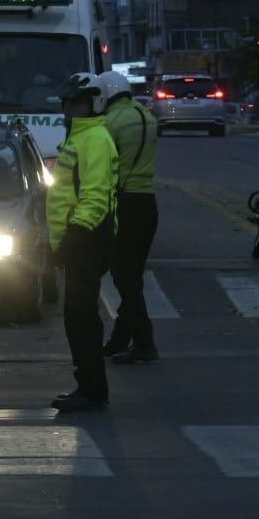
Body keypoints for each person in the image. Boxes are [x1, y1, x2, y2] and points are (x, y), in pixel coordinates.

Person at [47, 72, 118, 413]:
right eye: (66, 103)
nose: (69, 110)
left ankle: (92, 391)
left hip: (88, 239)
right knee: (77, 316)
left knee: (82, 317)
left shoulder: (95, 140)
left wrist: (74, 236)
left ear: (95, 103)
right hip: (77, 239)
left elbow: (94, 196)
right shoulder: (78, 140)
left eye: (76, 103)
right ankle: (88, 386)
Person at [98, 71, 159, 364]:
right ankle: (121, 339)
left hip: (125, 201)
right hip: (147, 202)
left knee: (124, 277)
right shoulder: (145, 115)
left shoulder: (111, 122)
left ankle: (145, 343)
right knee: (132, 276)